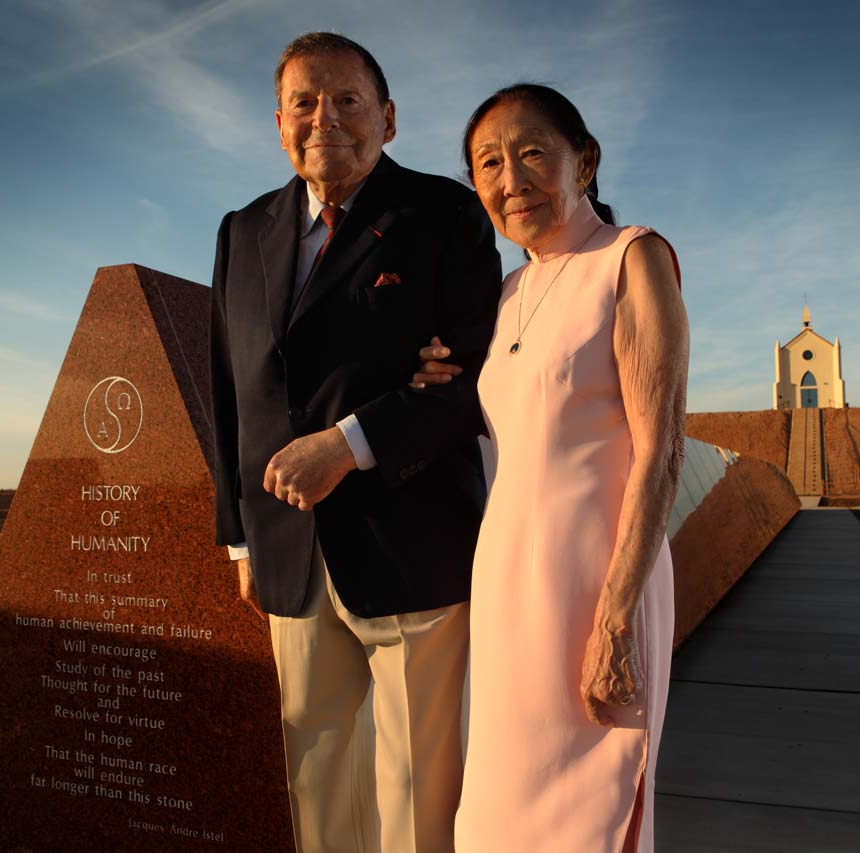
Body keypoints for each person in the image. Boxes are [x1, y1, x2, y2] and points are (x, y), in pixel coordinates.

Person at [208, 33, 501, 853]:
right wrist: (238, 538)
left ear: (389, 118)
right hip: (287, 551)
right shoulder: (242, 231)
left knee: (415, 787)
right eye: (304, 101)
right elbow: (231, 391)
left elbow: (474, 378)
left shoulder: (445, 216)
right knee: (315, 773)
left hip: (412, 541)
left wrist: (346, 444)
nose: (323, 118)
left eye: (347, 100)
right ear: (277, 122)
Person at [411, 84, 688, 851]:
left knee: (592, 814)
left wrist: (616, 616)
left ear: (584, 160)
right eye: (489, 164)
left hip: (598, 586)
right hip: (509, 589)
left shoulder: (632, 258)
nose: (511, 179)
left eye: (532, 152)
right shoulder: (507, 293)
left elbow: (661, 449)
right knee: (498, 815)